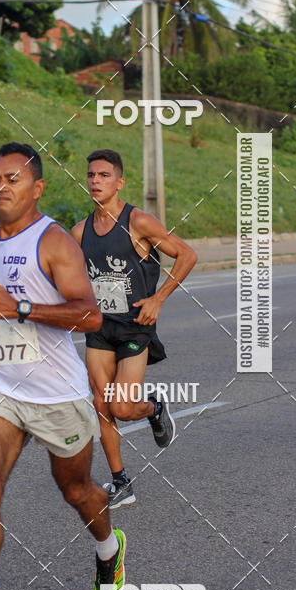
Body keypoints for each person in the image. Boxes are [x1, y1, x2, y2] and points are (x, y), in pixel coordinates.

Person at [0, 142, 127, 590]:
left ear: (37, 187)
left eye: (13, 179)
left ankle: (109, 549)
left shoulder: (53, 242)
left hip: (56, 395)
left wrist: (23, 308)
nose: (1, 187)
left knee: (76, 490)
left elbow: (89, 315)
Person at [71, 149, 197, 510]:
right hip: (99, 328)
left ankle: (154, 409)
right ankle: (120, 481)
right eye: (92, 175)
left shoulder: (139, 222)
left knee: (123, 408)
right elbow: (65, 273)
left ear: (120, 182)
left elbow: (186, 255)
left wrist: (158, 299)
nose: (96, 181)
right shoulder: (80, 231)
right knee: (101, 403)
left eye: (104, 175)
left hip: (134, 327)